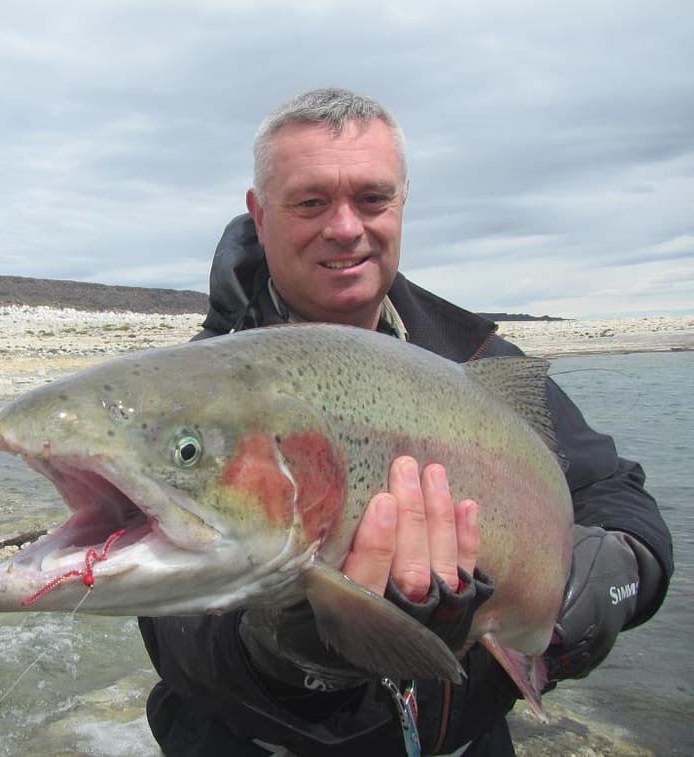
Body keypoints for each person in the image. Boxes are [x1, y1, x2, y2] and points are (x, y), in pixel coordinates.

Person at [138, 88, 674, 755]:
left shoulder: (477, 363)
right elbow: (182, 640)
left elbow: (620, 496)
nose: (345, 227)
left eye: (371, 198)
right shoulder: (192, 410)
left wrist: (606, 582)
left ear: (402, 203)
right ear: (259, 212)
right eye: (310, 201)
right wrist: (303, 649)